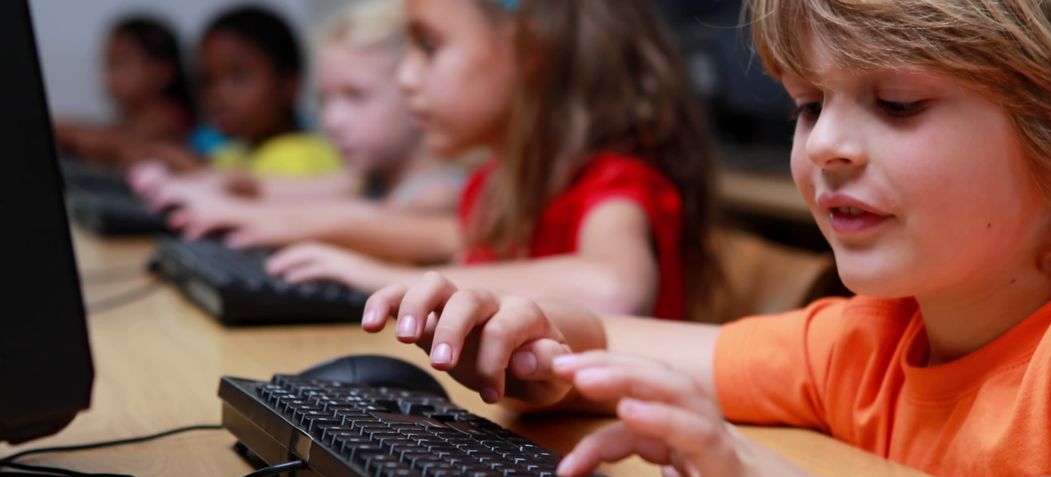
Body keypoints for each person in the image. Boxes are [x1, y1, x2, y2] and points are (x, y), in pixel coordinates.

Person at [360, 0, 1051, 477]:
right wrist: (534, 347)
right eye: (808, 105)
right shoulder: (868, 340)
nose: (824, 144)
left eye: (897, 103)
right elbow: (605, 343)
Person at [264, 0, 726, 321]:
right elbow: (446, 238)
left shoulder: (616, 182)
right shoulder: (499, 182)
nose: (405, 78)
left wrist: (389, 278)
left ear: (528, 54)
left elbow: (615, 289)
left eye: (429, 47)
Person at [162, 0, 466, 264]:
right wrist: (215, 184)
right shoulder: (367, 180)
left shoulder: (438, 193)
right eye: (324, 100)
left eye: (355, 95)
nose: (332, 121)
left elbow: (361, 219)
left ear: (415, 91)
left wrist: (238, 211)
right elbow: (264, 187)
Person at [130, 6, 342, 205]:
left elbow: (247, 198)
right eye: (207, 81)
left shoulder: (303, 157)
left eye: (238, 77)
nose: (217, 96)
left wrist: (184, 164)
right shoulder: (236, 151)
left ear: (289, 85)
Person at [54, 16, 194, 166]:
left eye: (120, 62)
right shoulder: (132, 120)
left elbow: (124, 143)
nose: (110, 76)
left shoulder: (166, 119)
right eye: (108, 64)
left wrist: (68, 133)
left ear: (162, 70)